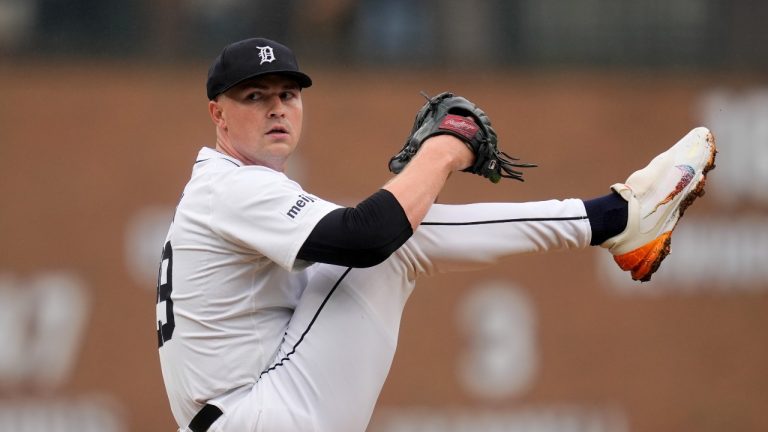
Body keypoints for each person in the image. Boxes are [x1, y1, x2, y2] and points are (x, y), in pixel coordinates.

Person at [155, 37, 716, 432]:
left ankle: (616, 222)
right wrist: (445, 149)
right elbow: (371, 236)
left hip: (250, 411)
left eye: (288, 94)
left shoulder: (229, 188)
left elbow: (361, 235)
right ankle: (617, 220)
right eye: (255, 96)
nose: (277, 107)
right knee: (395, 242)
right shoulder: (231, 188)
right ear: (218, 115)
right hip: (262, 414)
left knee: (382, 241)